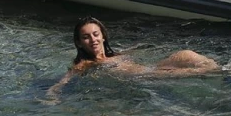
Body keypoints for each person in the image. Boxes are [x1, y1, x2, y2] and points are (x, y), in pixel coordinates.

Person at [46, 16, 221, 100]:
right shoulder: (86, 64)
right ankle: (224, 72)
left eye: (95, 34)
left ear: (103, 36)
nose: (93, 40)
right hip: (143, 77)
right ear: (78, 43)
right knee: (185, 73)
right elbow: (65, 80)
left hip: (150, 67)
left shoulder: (114, 55)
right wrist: (52, 94)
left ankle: (221, 70)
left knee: (186, 54)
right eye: (86, 37)